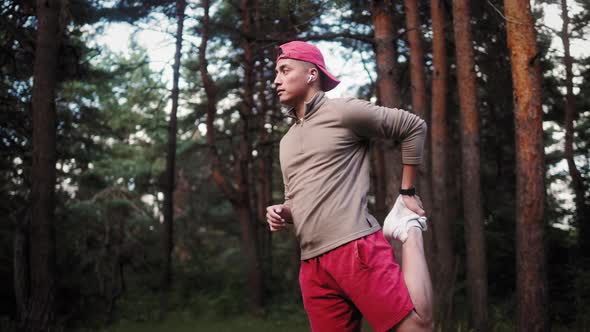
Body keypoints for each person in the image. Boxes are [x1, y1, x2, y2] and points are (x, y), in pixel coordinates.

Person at [266, 40, 433, 332]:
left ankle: (409, 228)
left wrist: (407, 192)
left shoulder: (343, 112)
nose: (275, 80)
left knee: (416, 329)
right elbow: (295, 197)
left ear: (311, 74)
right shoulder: (286, 141)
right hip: (312, 266)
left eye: (284, 70)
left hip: (354, 249)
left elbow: (413, 127)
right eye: (275, 73)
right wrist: (283, 210)